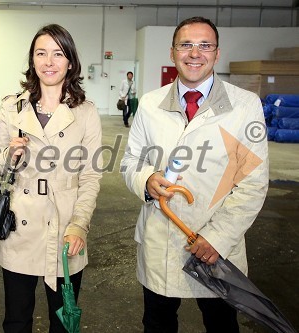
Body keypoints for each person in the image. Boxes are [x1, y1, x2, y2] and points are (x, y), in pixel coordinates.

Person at [120, 16, 269, 332]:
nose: (194, 53)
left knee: (221, 323)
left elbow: (253, 183)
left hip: (214, 245)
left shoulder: (245, 106)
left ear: (217, 53)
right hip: (160, 236)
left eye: (205, 45)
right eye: (185, 45)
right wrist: (145, 179)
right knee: (158, 322)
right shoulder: (149, 105)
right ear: (172, 53)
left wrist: (217, 237)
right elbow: (131, 160)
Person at [0, 24, 102, 332]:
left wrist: (79, 225)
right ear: (32, 60)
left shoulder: (86, 112)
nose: (48, 62)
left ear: (70, 62)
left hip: (66, 229)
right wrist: (8, 158)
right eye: (41, 53)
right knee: (16, 320)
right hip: (19, 226)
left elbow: (90, 175)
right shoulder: (12, 107)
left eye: (57, 53)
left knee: (62, 323)